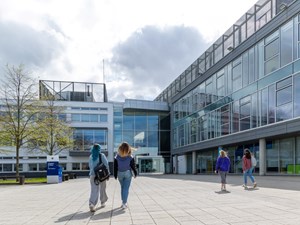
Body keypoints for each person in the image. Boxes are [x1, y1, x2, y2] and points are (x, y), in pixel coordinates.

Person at [114, 142, 137, 209]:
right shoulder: (130, 156)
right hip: (127, 173)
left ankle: (123, 202)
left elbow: (115, 167)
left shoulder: (116, 156)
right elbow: (133, 166)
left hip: (119, 173)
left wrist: (115, 175)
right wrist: (135, 173)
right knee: (126, 188)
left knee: (122, 187)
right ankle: (124, 203)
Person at [88, 144, 109, 212]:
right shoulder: (101, 155)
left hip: (92, 175)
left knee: (94, 190)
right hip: (101, 175)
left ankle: (92, 204)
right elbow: (106, 165)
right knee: (102, 189)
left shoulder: (91, 156)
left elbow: (90, 166)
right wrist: (107, 174)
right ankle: (102, 202)